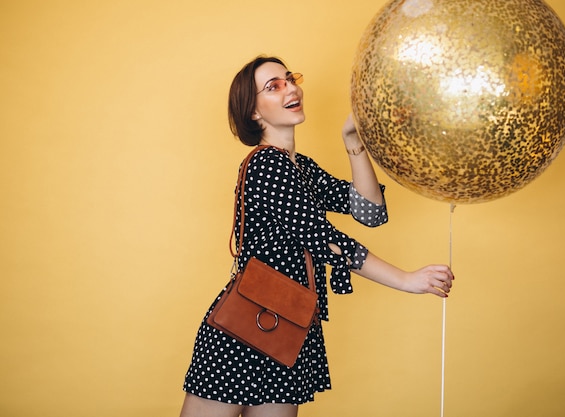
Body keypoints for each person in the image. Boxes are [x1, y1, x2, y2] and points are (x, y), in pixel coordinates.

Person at [180, 55, 455, 417]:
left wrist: (352, 140)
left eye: (290, 79)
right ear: (253, 113)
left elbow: (369, 212)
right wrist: (405, 280)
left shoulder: (301, 167)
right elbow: (324, 238)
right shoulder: (267, 164)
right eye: (273, 86)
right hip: (245, 331)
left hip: (289, 328)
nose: (291, 88)